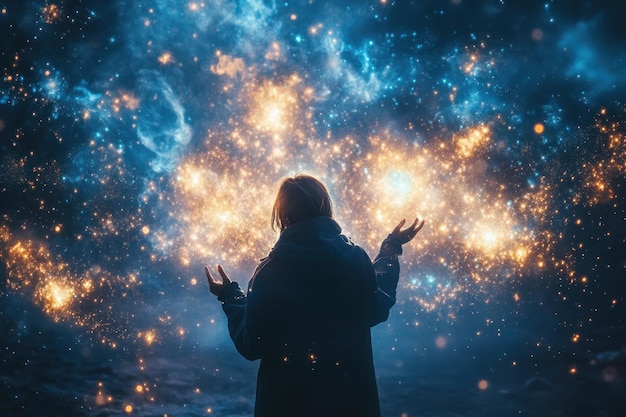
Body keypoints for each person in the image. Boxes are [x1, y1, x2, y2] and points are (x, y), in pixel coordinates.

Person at [205, 174, 424, 417]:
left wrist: (230, 295)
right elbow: (377, 305)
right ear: (325, 206)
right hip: (350, 403)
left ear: (283, 214)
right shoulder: (354, 259)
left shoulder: (269, 273)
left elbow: (252, 345)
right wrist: (391, 248)